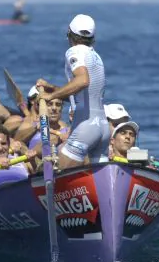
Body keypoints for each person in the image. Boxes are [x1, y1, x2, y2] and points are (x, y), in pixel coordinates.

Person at [35, 13, 108, 169]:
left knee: (53, 175)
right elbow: (84, 95)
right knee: (98, 182)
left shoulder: (75, 51)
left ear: (69, 33)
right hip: (103, 127)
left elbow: (82, 80)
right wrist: (53, 88)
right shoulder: (96, 57)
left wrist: (51, 96)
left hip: (85, 126)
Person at [15, 85, 70, 152]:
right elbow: (16, 142)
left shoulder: (65, 127)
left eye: (58, 105)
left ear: (61, 108)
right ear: (40, 107)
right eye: (50, 104)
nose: (54, 108)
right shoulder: (30, 125)